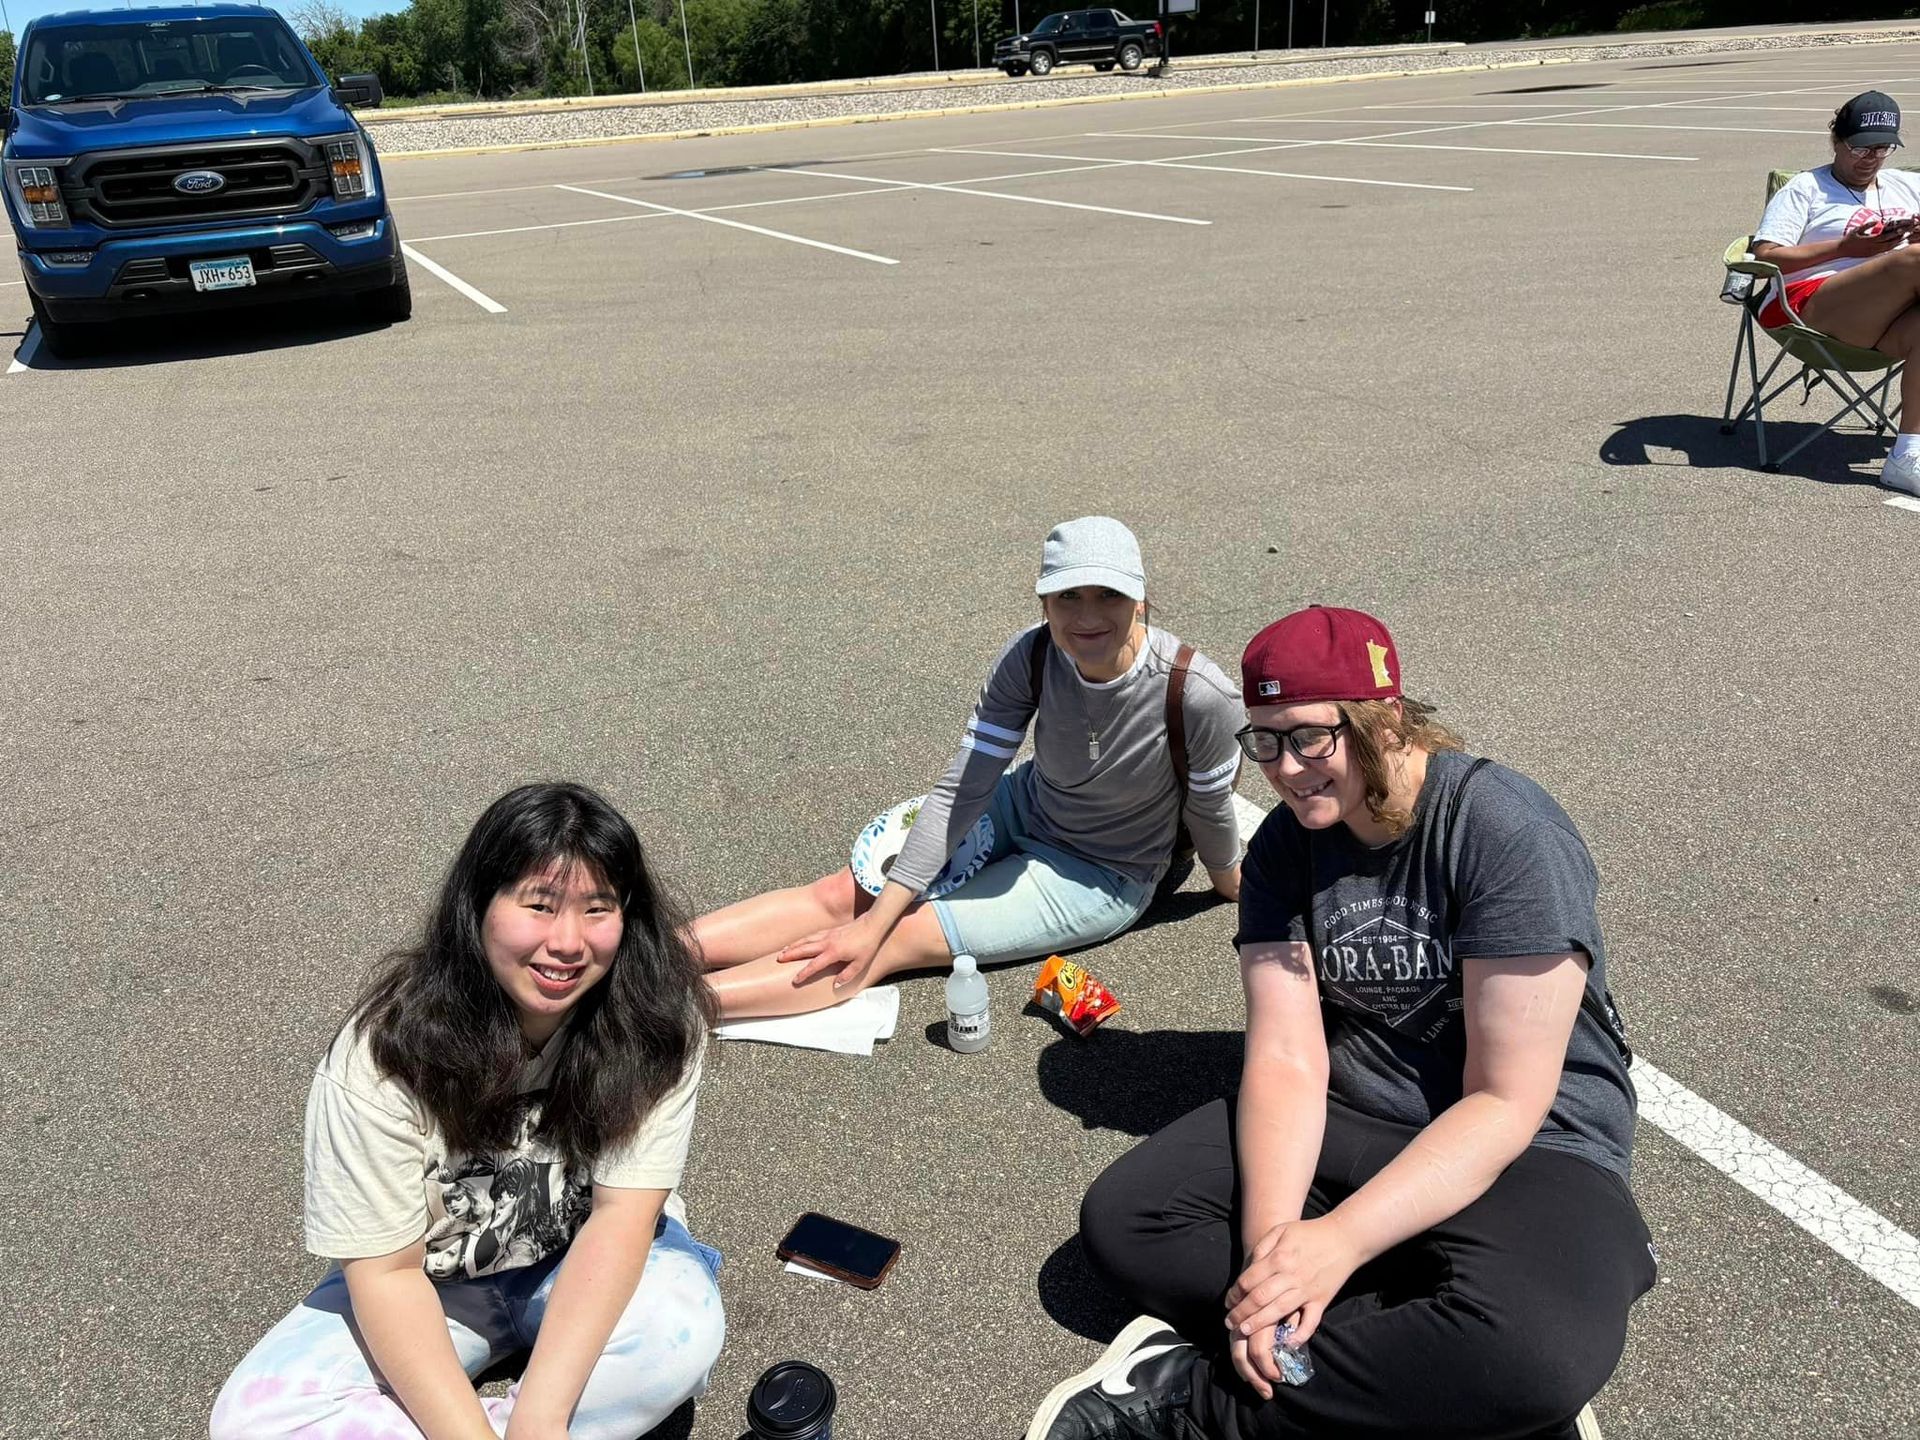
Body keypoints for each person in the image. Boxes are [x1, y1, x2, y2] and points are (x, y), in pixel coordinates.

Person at [1027, 607, 1653, 1440]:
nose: (1284, 770)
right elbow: (1287, 1060)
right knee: (1128, 1221)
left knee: (1540, 1357)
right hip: (1357, 1118)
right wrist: (1273, 1261)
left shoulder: (1503, 830)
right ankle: (1429, 1368)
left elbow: (1505, 1099)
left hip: (1528, 1143)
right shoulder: (1288, 847)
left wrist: (1340, 1244)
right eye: (1265, 741)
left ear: (1383, 718)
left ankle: (1192, 1400)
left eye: (1310, 738)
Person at [211, 783, 724, 1440]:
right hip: (434, 1280)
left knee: (681, 1334)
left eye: (598, 909)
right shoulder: (385, 1055)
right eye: (538, 906)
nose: (568, 943)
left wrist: (539, 1418)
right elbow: (388, 1275)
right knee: (254, 1423)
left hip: (579, 1254)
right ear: (477, 907)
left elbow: (622, 1217)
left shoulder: (656, 1022)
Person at [696, 516, 1245, 1020]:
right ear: (1044, 602)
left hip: (1101, 870)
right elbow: (965, 785)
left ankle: (658, 1014)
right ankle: (644, 949)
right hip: (1028, 802)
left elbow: (1210, 808)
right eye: (1067, 595)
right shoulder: (1029, 655)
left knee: (892, 941)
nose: (1087, 616)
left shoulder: (1196, 693)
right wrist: (875, 911)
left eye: (1109, 594)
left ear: (1141, 599)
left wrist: (1229, 882)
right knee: (851, 895)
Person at [1750, 90, 1920, 495]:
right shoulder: (1806, 189)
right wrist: (1845, 249)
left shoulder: (1907, 184)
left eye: (1883, 148)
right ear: (1836, 141)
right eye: (1861, 147)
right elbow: (1765, 256)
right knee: (1914, 259)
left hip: (1889, 314)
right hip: (1814, 305)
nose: (1872, 158)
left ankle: (1907, 457)